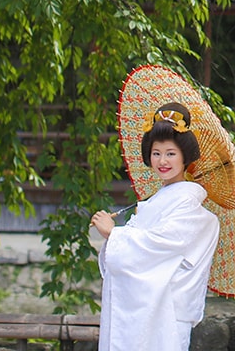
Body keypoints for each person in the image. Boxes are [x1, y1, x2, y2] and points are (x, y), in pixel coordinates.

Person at [90, 102, 221, 351]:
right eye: (156, 153)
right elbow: (136, 254)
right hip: (140, 308)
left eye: (171, 153)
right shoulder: (156, 201)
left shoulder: (191, 209)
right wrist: (116, 236)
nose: (162, 160)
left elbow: (158, 246)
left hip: (165, 313)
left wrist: (113, 234)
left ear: (185, 157)